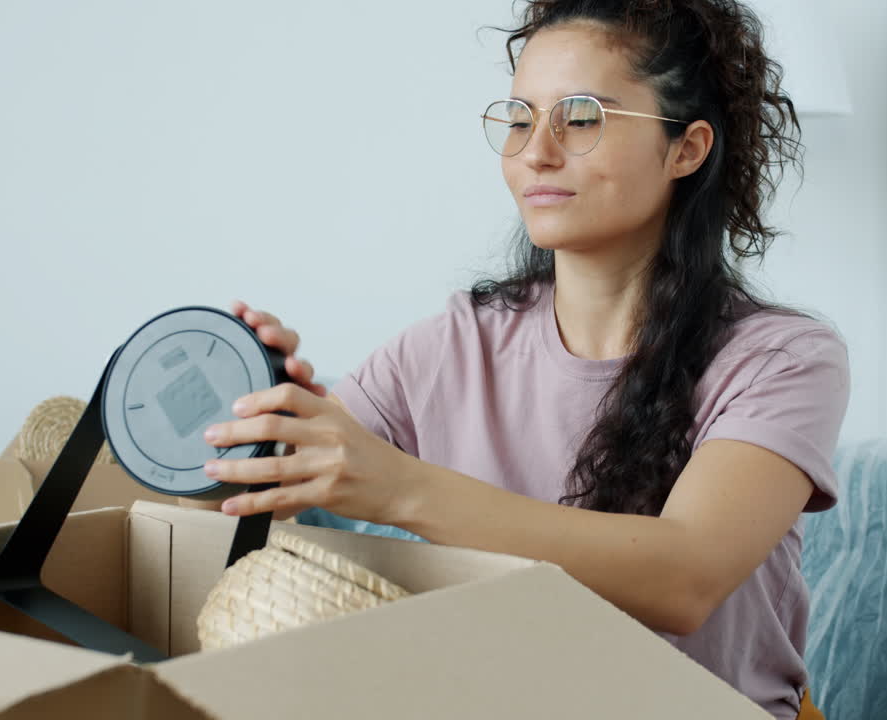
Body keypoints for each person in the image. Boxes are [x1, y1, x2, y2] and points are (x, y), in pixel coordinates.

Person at [188, 2, 847, 717]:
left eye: (583, 117)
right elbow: (229, 501)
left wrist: (401, 490)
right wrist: (264, 405)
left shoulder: (783, 359)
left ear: (685, 149)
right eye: (520, 118)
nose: (536, 151)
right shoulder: (449, 346)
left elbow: (683, 579)